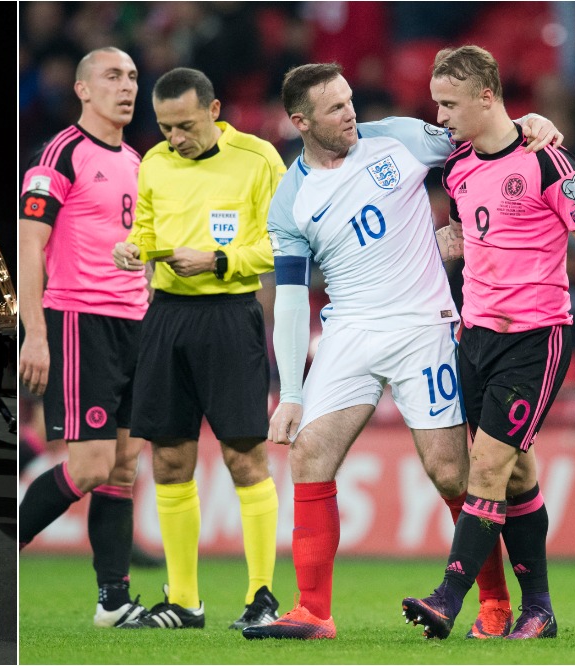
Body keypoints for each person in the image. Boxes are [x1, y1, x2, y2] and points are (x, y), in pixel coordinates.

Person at [236, 61, 556, 641]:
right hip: (349, 333)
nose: (351, 113)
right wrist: (290, 393)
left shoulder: (403, 138)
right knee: (309, 455)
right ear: (300, 121)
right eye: (335, 108)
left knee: (450, 471)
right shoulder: (291, 200)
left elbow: (488, 129)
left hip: (423, 328)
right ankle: (313, 611)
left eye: (350, 99)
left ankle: (493, 601)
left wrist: (531, 119)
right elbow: (287, 300)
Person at [402, 45, 575, 641]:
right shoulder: (459, 166)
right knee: (515, 477)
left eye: (450, 103)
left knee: (487, 467)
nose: (441, 116)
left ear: (486, 95)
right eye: (437, 102)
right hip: (476, 337)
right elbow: (462, 240)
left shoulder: (549, 162)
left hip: (535, 339)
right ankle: (539, 610)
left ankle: (447, 596)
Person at [111, 66, 284, 631]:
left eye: (184, 125)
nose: (173, 139)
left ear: (213, 112)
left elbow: (283, 243)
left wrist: (219, 260)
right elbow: (148, 228)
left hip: (230, 315)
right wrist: (133, 249)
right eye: (164, 128)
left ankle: (261, 595)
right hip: (166, 316)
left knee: (243, 457)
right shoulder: (155, 163)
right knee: (169, 459)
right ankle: (184, 601)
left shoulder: (258, 160)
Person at [17, 46, 150, 629]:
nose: (126, 86)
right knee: (92, 465)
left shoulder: (141, 161)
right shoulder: (58, 156)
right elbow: (28, 246)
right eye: (112, 76)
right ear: (83, 90)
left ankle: (114, 601)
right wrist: (36, 334)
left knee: (123, 466)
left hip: (135, 324)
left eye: (132, 77)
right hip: (80, 320)